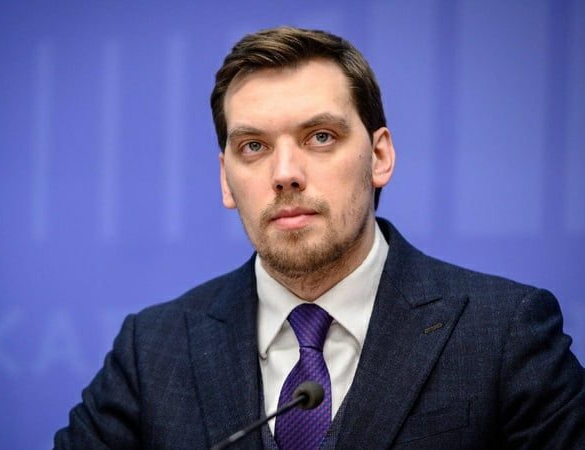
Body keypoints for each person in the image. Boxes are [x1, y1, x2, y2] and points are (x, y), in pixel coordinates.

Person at [55, 26, 585, 449]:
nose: (285, 173)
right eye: (254, 147)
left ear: (379, 156)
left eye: (320, 137)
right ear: (226, 180)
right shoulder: (152, 350)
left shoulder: (507, 333)